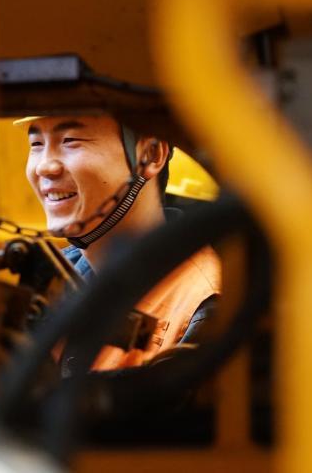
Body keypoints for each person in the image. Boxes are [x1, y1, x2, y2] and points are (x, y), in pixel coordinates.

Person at [21, 114, 221, 371]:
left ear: (151, 154)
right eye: (36, 144)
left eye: (70, 140)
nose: (44, 167)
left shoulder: (203, 305)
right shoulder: (56, 277)